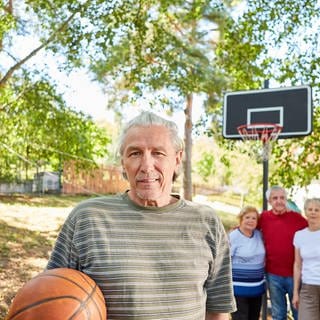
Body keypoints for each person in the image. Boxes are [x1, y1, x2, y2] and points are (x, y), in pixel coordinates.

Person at [46, 111, 236, 320]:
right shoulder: (87, 218)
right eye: (135, 153)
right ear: (123, 162)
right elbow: (50, 295)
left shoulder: (207, 222)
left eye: (158, 153)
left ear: (177, 158)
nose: (146, 166)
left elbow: (218, 310)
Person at [259, 186, 308, 320]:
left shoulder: (298, 219)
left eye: (282, 198)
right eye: (275, 198)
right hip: (273, 274)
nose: (279, 201)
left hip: (295, 275)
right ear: (269, 201)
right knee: (278, 314)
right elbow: (247, 228)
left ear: (286, 199)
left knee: (299, 313)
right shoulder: (263, 218)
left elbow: (313, 230)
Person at [229, 206, 266, 320]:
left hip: (257, 288)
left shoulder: (259, 235)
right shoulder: (233, 236)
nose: (250, 220)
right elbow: (225, 262)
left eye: (254, 218)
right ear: (241, 219)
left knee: (254, 317)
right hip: (238, 288)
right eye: (247, 217)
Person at [292, 198, 320, 320]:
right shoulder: (299, 235)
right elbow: (298, 265)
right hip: (308, 288)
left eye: (317, 210)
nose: (313, 212)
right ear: (305, 212)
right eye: (310, 209)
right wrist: (295, 293)